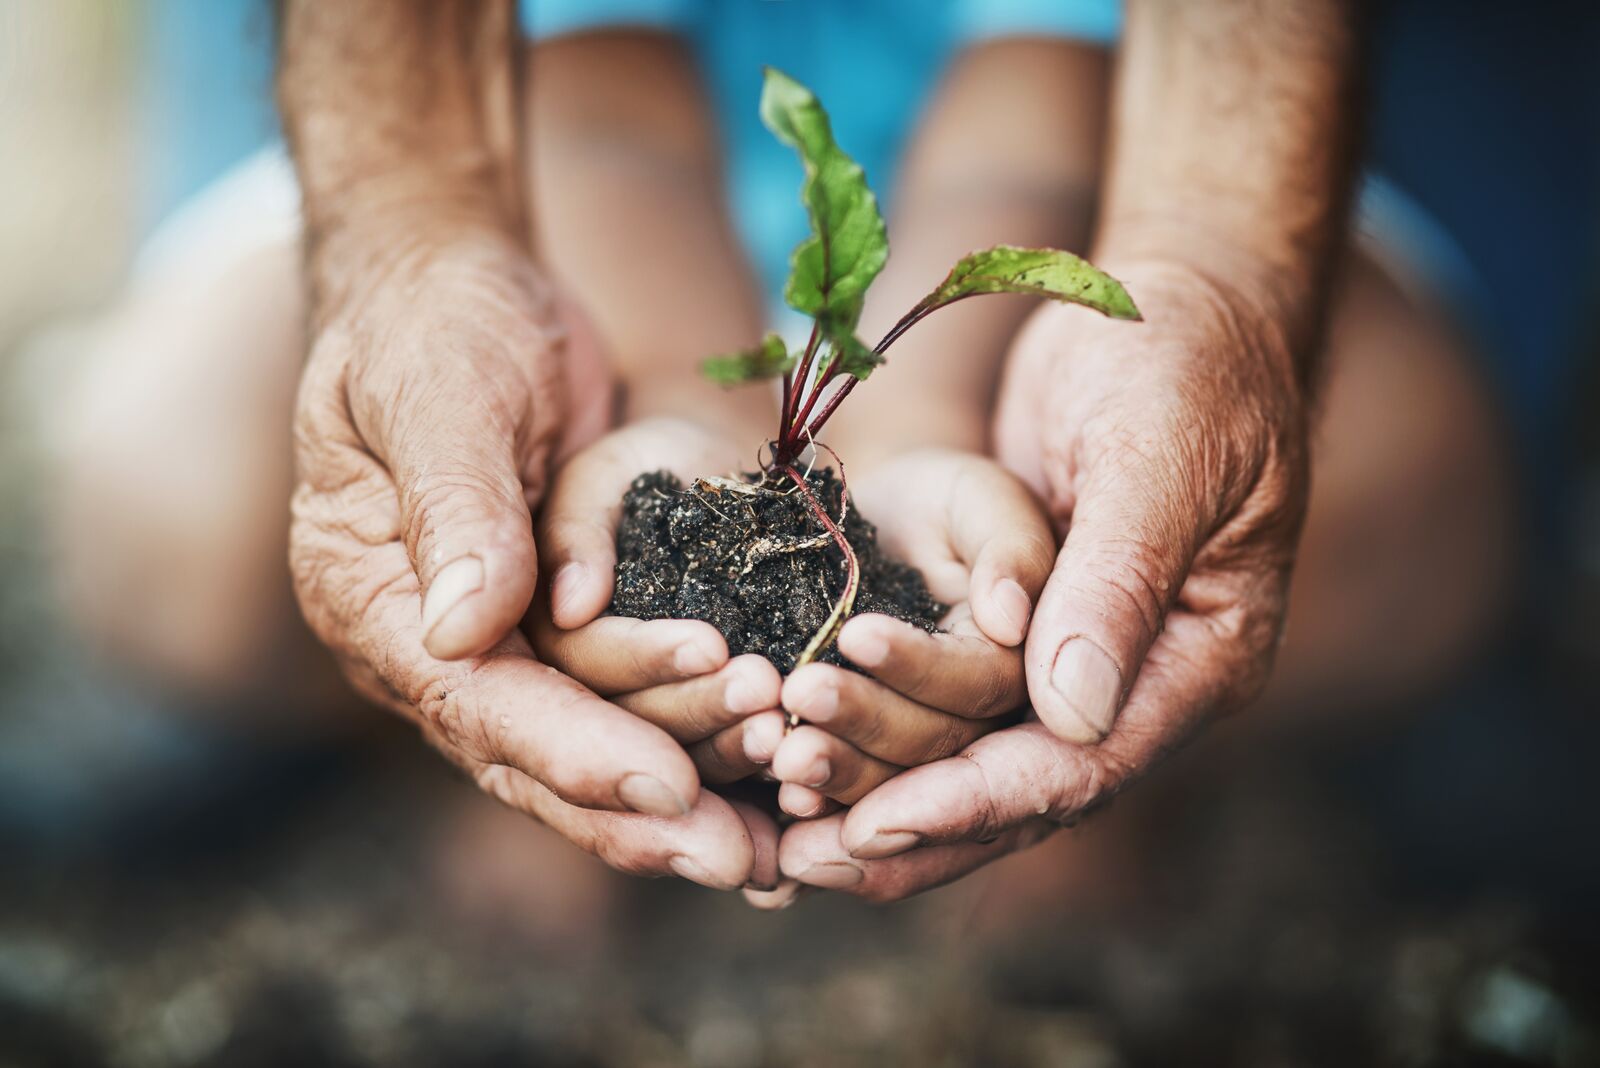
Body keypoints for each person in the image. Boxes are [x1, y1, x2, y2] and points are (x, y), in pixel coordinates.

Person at [51, 0, 1511, 909]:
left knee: (1399, 486)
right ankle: (478, 749)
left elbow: (1034, 130)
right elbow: (592, 114)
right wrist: (665, 413)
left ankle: (1102, 769)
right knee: (190, 492)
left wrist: (920, 432)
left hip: (1053, 255)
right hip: (553, 238)